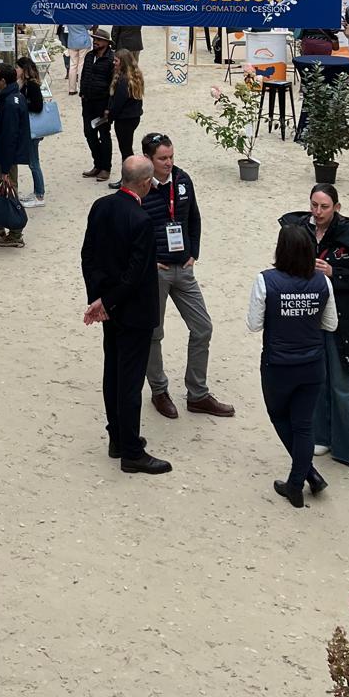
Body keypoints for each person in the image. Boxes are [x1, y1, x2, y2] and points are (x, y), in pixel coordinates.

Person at [280, 185, 349, 478]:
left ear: (337, 208)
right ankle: (323, 438)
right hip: (312, 321)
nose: (317, 212)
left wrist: (334, 273)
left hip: (346, 324)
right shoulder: (298, 230)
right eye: (313, 205)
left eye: (324, 207)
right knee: (318, 381)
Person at [81, 156, 170, 474]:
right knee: (130, 382)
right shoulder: (141, 220)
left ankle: (117, 437)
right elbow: (135, 275)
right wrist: (107, 302)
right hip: (132, 312)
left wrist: (98, 299)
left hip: (109, 309)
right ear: (145, 183)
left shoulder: (101, 206)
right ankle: (132, 451)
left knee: (112, 373)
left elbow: (87, 255)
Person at [140, 133, 235, 420]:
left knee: (203, 327)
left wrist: (194, 251)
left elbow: (193, 216)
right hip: (155, 272)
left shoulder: (182, 180)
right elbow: (129, 229)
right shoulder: (139, 187)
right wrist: (148, 262)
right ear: (148, 159)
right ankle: (159, 390)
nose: (169, 163)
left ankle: (198, 394)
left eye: (171, 157)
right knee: (153, 333)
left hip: (183, 267)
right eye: (162, 159)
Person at [248, 223, 338, 507]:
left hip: (278, 364)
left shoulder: (266, 280)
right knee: (303, 425)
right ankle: (299, 481)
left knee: (279, 416)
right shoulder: (323, 282)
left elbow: (254, 324)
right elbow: (331, 324)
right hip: (312, 364)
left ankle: (305, 475)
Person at [0, 61, 31, 248]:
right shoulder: (12, 97)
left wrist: (6, 166)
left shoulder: (9, 103)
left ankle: (16, 233)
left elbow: (9, 137)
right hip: (5, 156)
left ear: (3, 80)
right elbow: (4, 129)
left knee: (9, 190)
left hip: (6, 157)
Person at [79, 27, 115, 181]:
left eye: (98, 40)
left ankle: (106, 168)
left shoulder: (111, 60)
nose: (95, 42)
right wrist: (82, 92)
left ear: (106, 42)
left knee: (104, 135)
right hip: (87, 102)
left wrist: (109, 107)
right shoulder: (89, 56)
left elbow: (113, 84)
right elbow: (84, 75)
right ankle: (97, 164)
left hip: (102, 103)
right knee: (89, 133)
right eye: (94, 39)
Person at [105, 50, 145, 179]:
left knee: (126, 151)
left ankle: (128, 179)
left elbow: (118, 103)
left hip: (124, 119)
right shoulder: (135, 77)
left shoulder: (123, 80)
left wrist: (110, 117)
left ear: (123, 63)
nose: (114, 63)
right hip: (133, 117)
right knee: (127, 148)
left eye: (116, 61)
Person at [16, 55, 46, 207]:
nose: (16, 70)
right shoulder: (23, 84)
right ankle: (36, 192)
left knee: (34, 162)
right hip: (27, 128)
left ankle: (40, 195)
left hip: (32, 129)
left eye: (18, 67)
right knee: (33, 162)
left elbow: (38, 105)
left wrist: (23, 106)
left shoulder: (32, 85)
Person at [58, 21, 90, 94]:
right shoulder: (82, 17)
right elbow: (89, 27)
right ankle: (81, 87)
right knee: (82, 65)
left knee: (72, 66)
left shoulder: (68, 18)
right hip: (83, 42)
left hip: (72, 42)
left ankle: (72, 89)